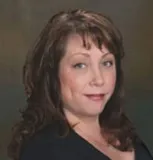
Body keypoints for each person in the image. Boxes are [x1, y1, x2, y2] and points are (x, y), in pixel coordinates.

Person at [7, 9, 153, 160]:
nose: (99, 79)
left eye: (107, 63)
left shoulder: (126, 136)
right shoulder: (43, 152)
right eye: (80, 65)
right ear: (53, 75)